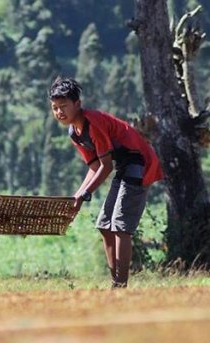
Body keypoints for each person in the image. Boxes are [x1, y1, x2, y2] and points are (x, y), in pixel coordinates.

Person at [48, 77, 162, 289]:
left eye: (63, 106)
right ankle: (115, 282)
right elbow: (94, 166)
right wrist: (77, 196)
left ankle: (121, 285)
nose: (59, 112)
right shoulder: (74, 132)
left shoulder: (93, 123)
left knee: (121, 227)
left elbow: (105, 166)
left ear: (78, 105)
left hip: (139, 163)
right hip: (124, 166)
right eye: (55, 108)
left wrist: (85, 194)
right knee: (104, 225)